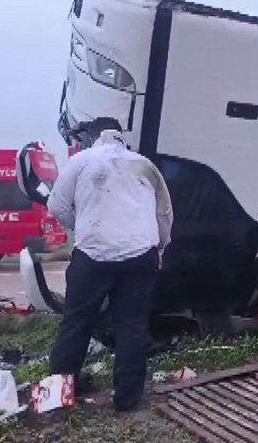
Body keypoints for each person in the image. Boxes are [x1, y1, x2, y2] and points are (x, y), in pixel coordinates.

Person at [46, 117, 173, 412]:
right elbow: (164, 212)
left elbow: (56, 205)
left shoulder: (81, 161)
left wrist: (83, 227)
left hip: (91, 256)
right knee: (132, 325)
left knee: (76, 322)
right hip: (140, 255)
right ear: (121, 135)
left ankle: (59, 395)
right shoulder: (144, 165)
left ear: (93, 137)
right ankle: (127, 399)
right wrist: (161, 245)